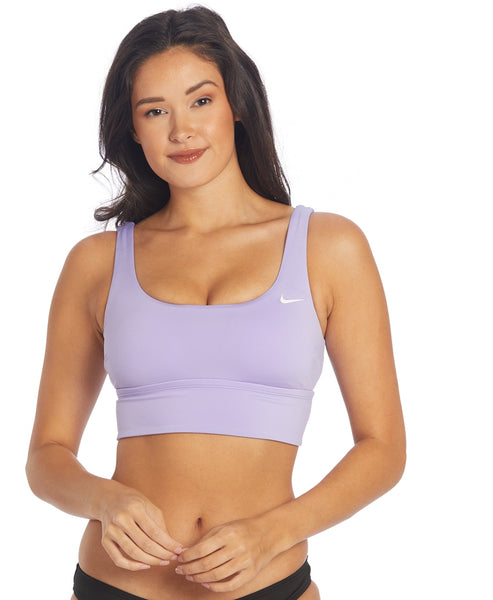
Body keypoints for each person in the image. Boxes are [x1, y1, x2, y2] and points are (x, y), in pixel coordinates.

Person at [26, 6, 406, 600]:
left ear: (237, 106)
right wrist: (104, 499)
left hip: (268, 582)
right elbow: (46, 458)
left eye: (200, 100)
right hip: (116, 585)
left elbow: (383, 449)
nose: (181, 130)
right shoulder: (96, 264)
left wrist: (274, 532)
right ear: (133, 130)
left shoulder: (329, 248)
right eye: (155, 111)